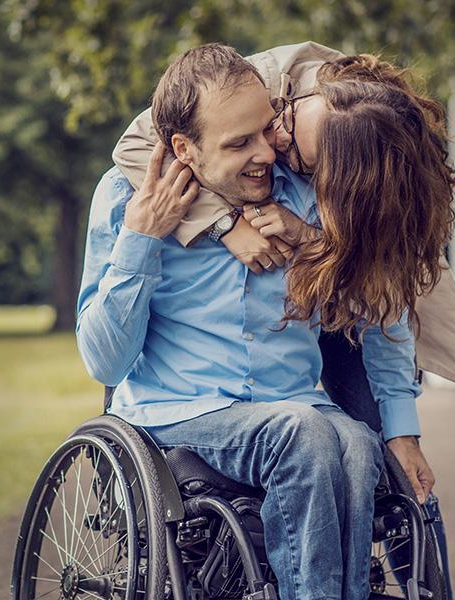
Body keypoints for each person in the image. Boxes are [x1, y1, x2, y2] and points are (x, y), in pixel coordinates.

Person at [77, 43, 425, 600]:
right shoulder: (127, 198)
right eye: (239, 143)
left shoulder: (303, 192)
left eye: (265, 130)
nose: (267, 151)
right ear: (183, 150)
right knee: (303, 434)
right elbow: (104, 360)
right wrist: (141, 239)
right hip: (182, 408)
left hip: (293, 402)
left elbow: (379, 304)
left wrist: (402, 429)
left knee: (358, 443)